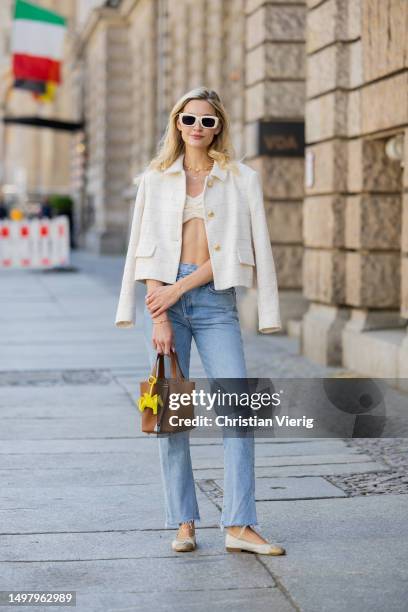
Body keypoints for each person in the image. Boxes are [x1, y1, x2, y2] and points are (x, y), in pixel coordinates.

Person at [114, 86, 285, 556]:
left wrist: (179, 290)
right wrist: (161, 314)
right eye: (189, 120)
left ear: (219, 127)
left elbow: (236, 252)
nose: (197, 129)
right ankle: (184, 522)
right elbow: (146, 249)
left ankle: (240, 524)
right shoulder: (154, 179)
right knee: (171, 413)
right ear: (177, 123)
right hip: (166, 304)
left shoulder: (240, 179)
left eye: (208, 121)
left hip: (214, 301)